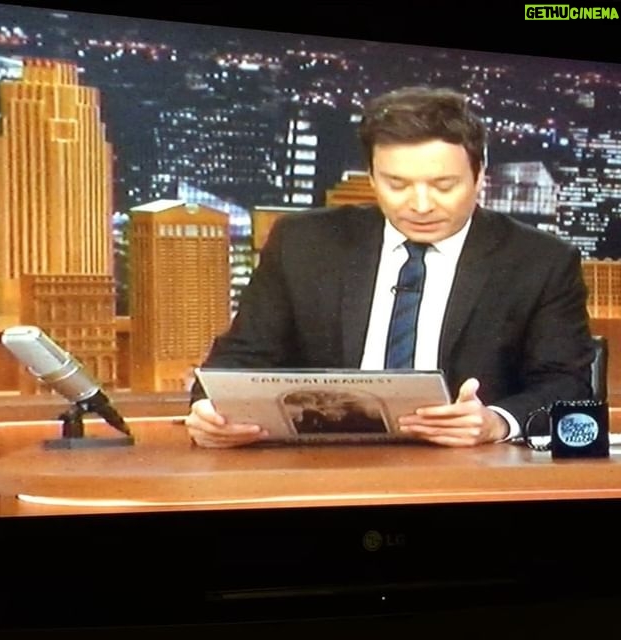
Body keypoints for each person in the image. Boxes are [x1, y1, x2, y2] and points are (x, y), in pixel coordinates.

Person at [186, 85, 594, 449]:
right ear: (371, 177)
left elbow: (567, 384)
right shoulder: (303, 243)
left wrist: (495, 423)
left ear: (479, 176)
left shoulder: (539, 260)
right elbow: (240, 357)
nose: (420, 205)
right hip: (320, 463)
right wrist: (210, 412)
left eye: (444, 185)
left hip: (466, 468)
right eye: (397, 184)